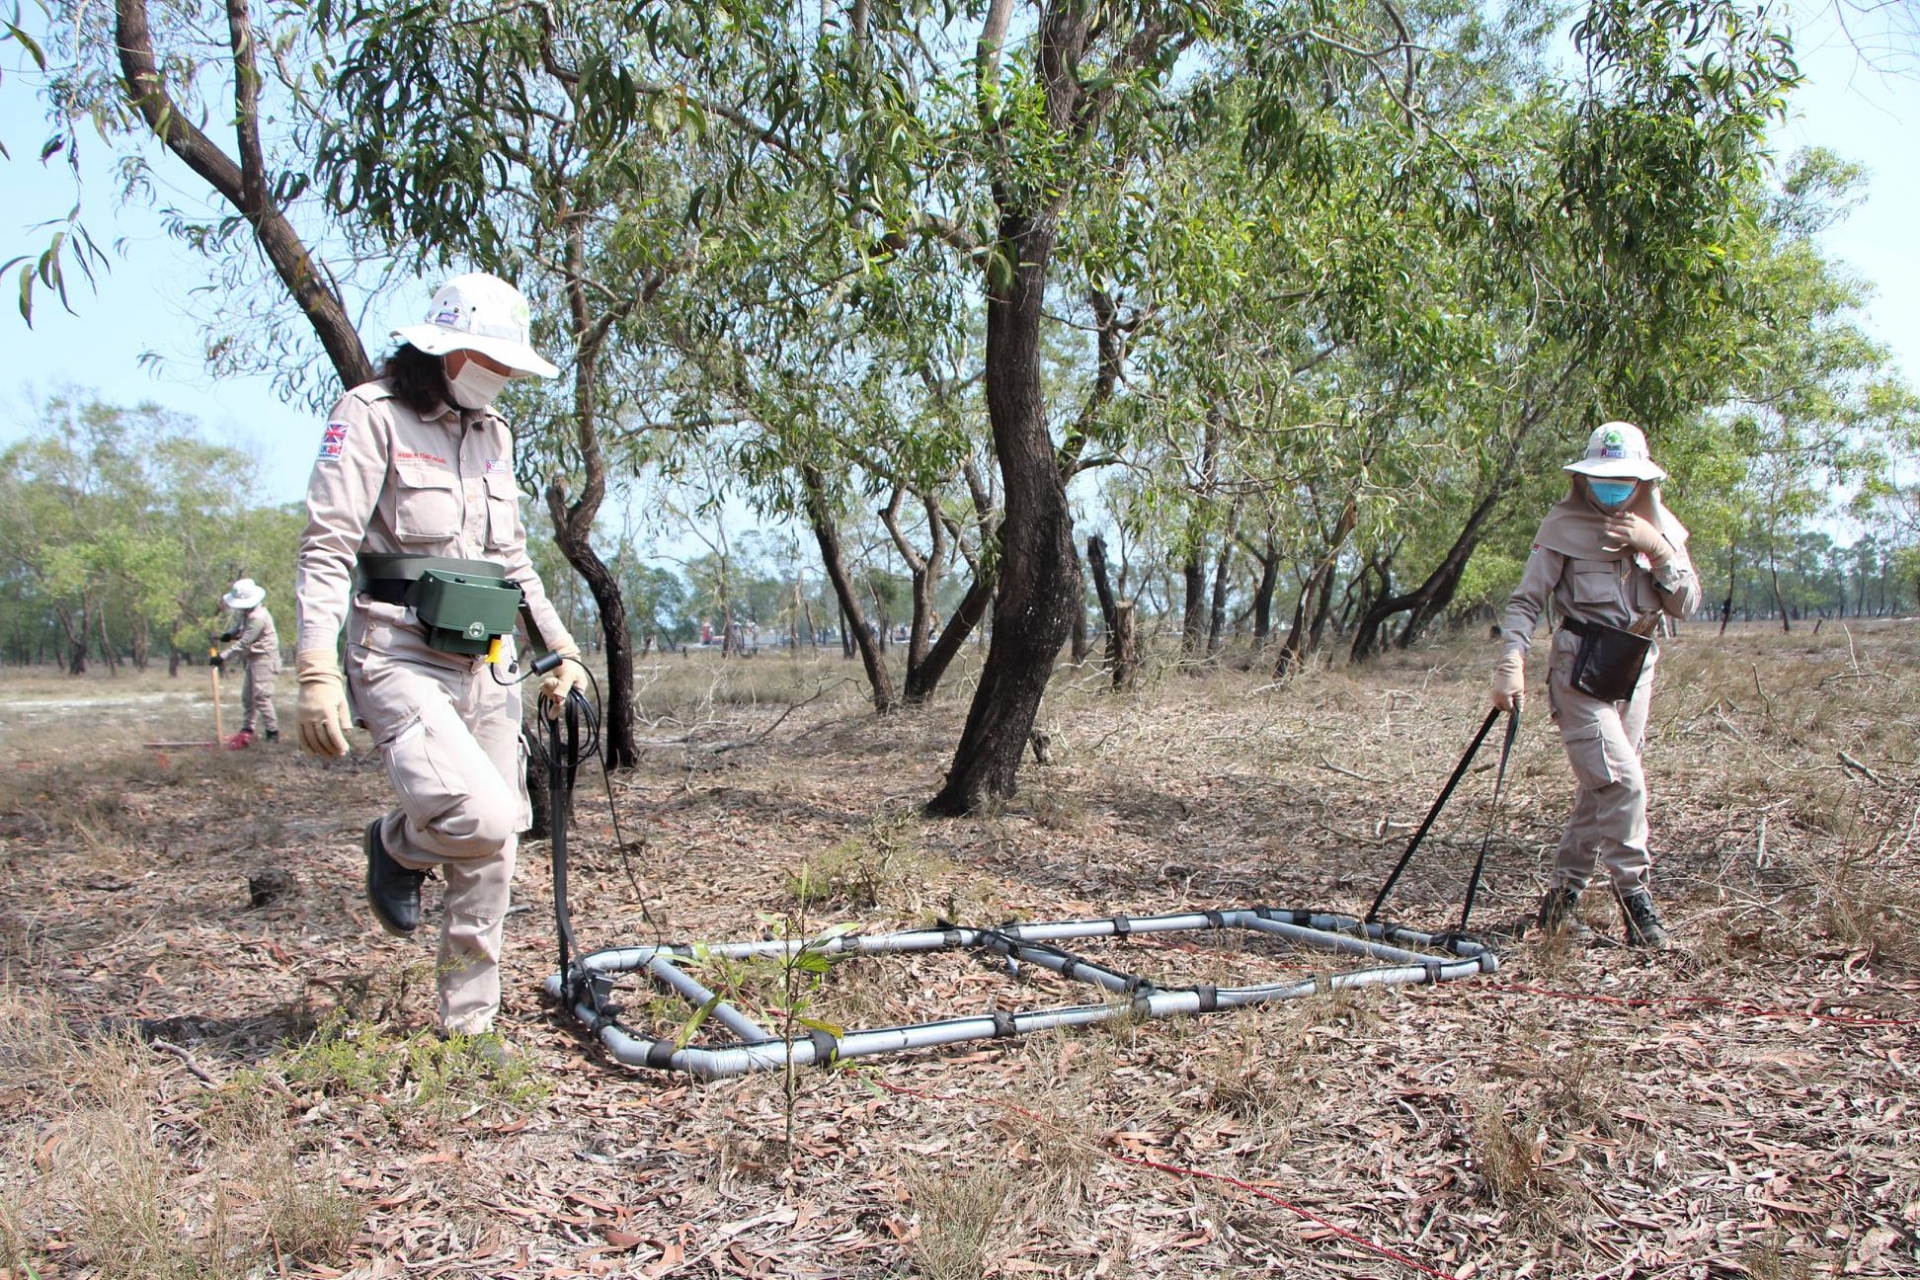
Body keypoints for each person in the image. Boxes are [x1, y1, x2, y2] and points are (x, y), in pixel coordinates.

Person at [293, 272, 586, 1041]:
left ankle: (470, 1029)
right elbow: (327, 550)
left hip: (485, 658)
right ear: (443, 348)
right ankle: (395, 844)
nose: (503, 377)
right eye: (489, 359)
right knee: (480, 817)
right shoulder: (371, 416)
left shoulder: (494, 432)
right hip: (398, 654)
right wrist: (316, 670)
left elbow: (514, 561)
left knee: (498, 843)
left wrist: (561, 649)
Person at [1491, 422, 1700, 948]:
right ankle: (1636, 901)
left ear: (1643, 481)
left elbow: (1687, 605)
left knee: (1600, 787)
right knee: (1622, 783)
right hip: (1578, 670)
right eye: (1603, 479)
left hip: (1634, 667)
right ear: (1583, 479)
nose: (1612, 488)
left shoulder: (1662, 529)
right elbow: (1525, 603)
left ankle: (1560, 901)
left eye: (1625, 479)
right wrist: (1511, 660)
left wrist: (1658, 552)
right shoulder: (1562, 527)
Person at [213, 577, 280, 746]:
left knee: (261, 698)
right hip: (253, 659)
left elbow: (244, 643)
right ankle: (247, 730)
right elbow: (239, 628)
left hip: (264, 659)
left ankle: (272, 733)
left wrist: (222, 656)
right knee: (247, 697)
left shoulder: (258, 618)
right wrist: (229, 633)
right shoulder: (246, 613)